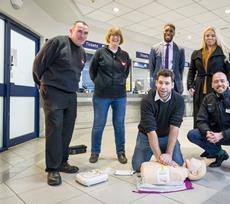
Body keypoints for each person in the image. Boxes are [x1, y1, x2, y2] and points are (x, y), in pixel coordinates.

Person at [33, 20, 89, 186]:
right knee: (54, 131)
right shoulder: (57, 42)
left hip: (71, 95)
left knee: (67, 130)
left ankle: (63, 162)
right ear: (71, 30)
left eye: (86, 33)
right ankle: (52, 169)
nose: (82, 35)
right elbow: (38, 66)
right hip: (53, 92)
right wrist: (42, 85)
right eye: (79, 31)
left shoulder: (82, 52)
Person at [187, 72, 230, 173]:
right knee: (193, 134)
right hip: (214, 135)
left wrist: (222, 134)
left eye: (222, 81)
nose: (219, 84)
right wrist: (207, 132)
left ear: (227, 83)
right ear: (212, 85)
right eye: (216, 81)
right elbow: (201, 120)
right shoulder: (208, 99)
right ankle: (220, 154)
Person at [89, 27, 131, 164]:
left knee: (119, 125)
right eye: (113, 35)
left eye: (118, 35)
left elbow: (126, 73)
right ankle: (95, 152)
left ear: (120, 38)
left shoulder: (124, 55)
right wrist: (100, 83)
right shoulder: (100, 53)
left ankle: (121, 152)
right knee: (98, 125)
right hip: (101, 96)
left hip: (120, 96)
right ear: (109, 37)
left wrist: (120, 82)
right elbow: (92, 71)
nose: (115, 37)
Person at [132, 69, 185, 172]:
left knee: (178, 163)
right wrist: (161, 159)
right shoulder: (147, 101)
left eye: (167, 83)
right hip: (146, 136)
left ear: (172, 85)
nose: (163, 87)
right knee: (137, 167)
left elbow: (174, 128)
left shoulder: (179, 100)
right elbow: (151, 132)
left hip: (166, 135)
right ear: (156, 83)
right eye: (160, 82)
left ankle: (165, 152)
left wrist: (169, 155)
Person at [187, 26, 230, 131]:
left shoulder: (225, 52)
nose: (210, 38)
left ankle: (215, 141)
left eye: (213, 35)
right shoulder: (196, 53)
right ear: (204, 37)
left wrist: (228, 85)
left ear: (217, 37)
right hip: (199, 89)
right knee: (200, 115)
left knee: (215, 116)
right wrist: (190, 85)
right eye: (207, 35)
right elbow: (191, 71)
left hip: (216, 88)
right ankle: (203, 139)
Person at [149, 24, 185, 94]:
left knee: (174, 105)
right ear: (163, 32)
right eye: (166, 30)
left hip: (174, 86)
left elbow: (181, 69)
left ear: (174, 33)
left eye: (171, 31)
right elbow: (151, 68)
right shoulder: (154, 48)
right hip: (158, 85)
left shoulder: (180, 50)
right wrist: (152, 82)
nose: (168, 32)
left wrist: (180, 83)